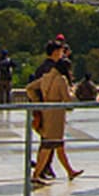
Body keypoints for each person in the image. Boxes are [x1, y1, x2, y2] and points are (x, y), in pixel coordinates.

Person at [27, 56, 84, 184]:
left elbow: (29, 88)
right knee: (48, 145)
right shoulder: (61, 79)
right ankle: (36, 175)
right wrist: (72, 93)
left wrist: (38, 102)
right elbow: (67, 100)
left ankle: (70, 171)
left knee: (58, 145)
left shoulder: (46, 77)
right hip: (56, 115)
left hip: (46, 112)